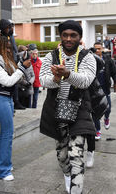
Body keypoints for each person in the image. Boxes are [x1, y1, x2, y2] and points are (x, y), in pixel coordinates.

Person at [39, 20, 96, 194]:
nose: (69, 39)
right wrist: (56, 79)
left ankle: (76, 190)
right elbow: (43, 80)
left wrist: (68, 74)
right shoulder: (51, 56)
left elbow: (86, 80)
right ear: (61, 36)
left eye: (73, 35)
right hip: (57, 113)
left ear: (80, 37)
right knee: (62, 156)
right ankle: (67, 175)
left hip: (79, 112)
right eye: (65, 35)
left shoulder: (88, 57)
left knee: (76, 156)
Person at [0, 36, 29, 181]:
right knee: (7, 134)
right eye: (6, 47)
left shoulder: (4, 62)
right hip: (0, 100)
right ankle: (3, 170)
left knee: (4, 134)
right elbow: (8, 81)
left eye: (10, 47)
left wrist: (22, 65)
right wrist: (22, 67)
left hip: (7, 100)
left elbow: (16, 77)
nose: (9, 50)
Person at [0, 19, 25, 110]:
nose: (10, 29)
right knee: (2, 86)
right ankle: (1, 108)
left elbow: (13, 49)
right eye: (8, 27)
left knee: (13, 83)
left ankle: (14, 103)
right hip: (3, 63)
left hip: (11, 61)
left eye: (11, 27)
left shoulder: (9, 36)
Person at [93, 42, 116, 140]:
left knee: (107, 109)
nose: (97, 51)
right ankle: (97, 131)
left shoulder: (108, 60)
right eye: (95, 48)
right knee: (95, 112)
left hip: (105, 89)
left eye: (99, 48)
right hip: (95, 90)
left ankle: (106, 118)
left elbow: (114, 73)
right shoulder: (90, 60)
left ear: (102, 49)